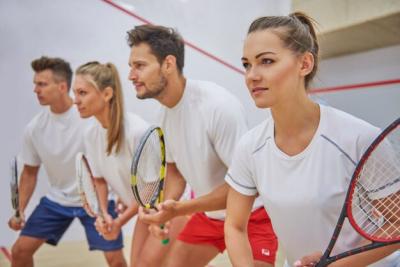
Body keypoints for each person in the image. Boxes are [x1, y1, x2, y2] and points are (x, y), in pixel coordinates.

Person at [223, 12, 400, 267]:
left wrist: (335, 264)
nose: (252, 75)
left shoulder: (359, 138)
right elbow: (235, 225)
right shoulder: (249, 147)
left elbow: (396, 225)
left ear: (304, 64)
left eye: (267, 61)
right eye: (247, 64)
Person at [127, 24, 278, 267]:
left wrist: (179, 209)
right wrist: (164, 209)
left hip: (252, 215)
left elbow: (247, 186)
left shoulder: (218, 107)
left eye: (140, 66)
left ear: (168, 64)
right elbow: (175, 173)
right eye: (131, 67)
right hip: (210, 217)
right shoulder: (163, 116)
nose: (131, 76)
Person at [7, 56, 127, 267]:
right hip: (58, 201)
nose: (36, 89)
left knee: (115, 261)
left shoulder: (90, 118)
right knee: (19, 251)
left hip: (97, 200)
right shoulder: (35, 129)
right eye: (35, 84)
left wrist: (121, 194)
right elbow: (29, 173)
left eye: (42, 84)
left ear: (62, 86)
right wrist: (20, 210)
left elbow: (114, 159)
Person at [73, 61, 188, 267]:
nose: (75, 100)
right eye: (75, 93)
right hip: (147, 210)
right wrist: (104, 214)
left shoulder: (136, 131)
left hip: (172, 207)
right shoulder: (90, 134)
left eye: (82, 93)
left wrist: (119, 222)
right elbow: (99, 180)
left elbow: (152, 190)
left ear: (107, 94)